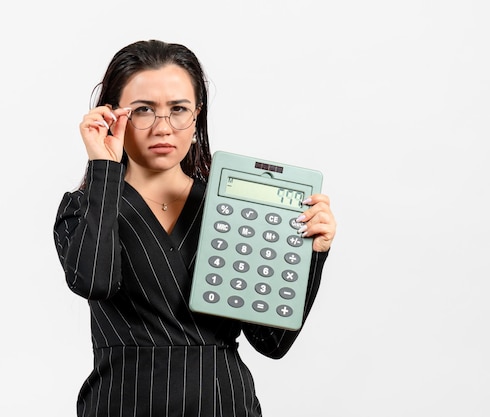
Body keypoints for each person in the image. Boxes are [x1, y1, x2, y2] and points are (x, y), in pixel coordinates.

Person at [53, 39, 336, 417]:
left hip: (225, 404)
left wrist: (311, 254)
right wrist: (104, 167)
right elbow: (94, 282)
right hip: (124, 404)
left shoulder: (234, 208)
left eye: (178, 109)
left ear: (197, 115)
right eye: (143, 110)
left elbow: (272, 341)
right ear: (112, 115)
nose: (163, 128)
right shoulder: (85, 208)